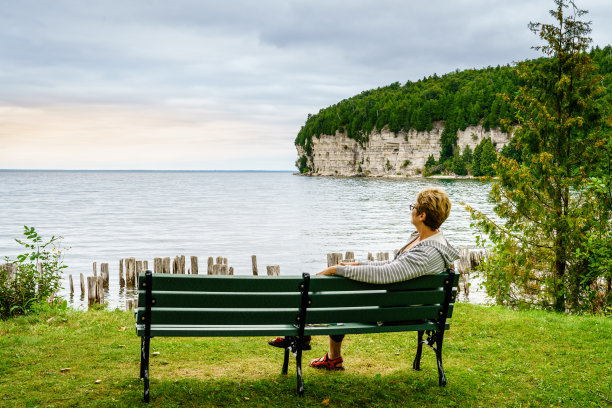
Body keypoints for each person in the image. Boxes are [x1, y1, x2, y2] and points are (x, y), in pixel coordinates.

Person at [269, 187, 460, 371]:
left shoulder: (426, 253)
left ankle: (302, 333)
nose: (412, 210)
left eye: (414, 207)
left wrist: (338, 270)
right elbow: (394, 265)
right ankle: (331, 357)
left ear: (422, 216)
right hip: (403, 304)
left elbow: (387, 274)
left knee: (340, 297)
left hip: (395, 312)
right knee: (342, 295)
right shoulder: (428, 240)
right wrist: (357, 265)